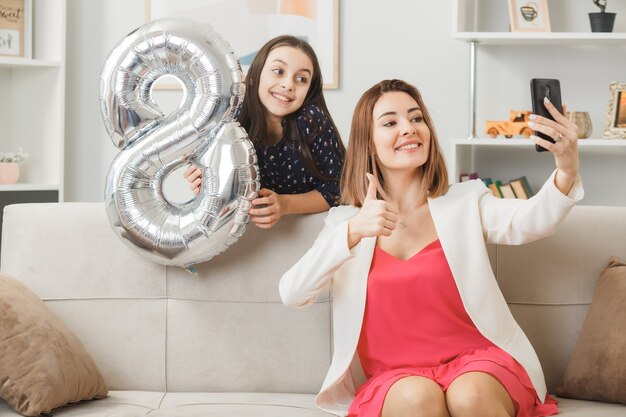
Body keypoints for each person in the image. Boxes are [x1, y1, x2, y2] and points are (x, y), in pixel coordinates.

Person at [279, 79, 583, 417]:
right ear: (370, 142)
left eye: (416, 118)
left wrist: (566, 169)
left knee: (470, 396)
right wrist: (353, 232)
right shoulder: (345, 223)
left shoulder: (465, 201)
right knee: (417, 400)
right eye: (391, 122)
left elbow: (530, 222)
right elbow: (293, 293)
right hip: (396, 378)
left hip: (477, 363)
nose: (409, 128)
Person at [184, 35, 345, 229]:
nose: (288, 84)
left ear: (309, 90)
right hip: (247, 238)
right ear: (254, 76)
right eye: (278, 71)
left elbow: (339, 189)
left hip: (308, 234)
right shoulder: (229, 118)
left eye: (301, 79)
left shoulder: (312, 120)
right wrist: (203, 186)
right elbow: (223, 194)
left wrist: (285, 204)